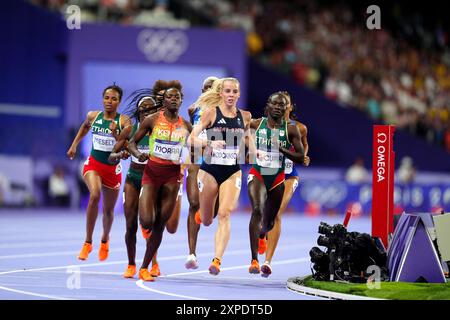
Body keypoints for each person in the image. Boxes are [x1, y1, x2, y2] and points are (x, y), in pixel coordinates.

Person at [128, 86, 192, 281]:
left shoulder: (187, 126)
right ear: (163, 101)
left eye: (177, 97)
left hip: (172, 178)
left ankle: (145, 267)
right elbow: (132, 143)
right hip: (152, 174)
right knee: (147, 221)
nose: (173, 99)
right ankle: (144, 252)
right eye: (169, 96)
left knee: (160, 224)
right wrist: (139, 154)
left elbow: (195, 150)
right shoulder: (152, 120)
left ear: (181, 101)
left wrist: (188, 161)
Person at [190, 77, 252, 275]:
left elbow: (249, 137)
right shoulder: (210, 113)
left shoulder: (246, 116)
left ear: (239, 94)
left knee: (225, 213)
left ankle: (217, 260)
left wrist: (256, 152)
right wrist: (208, 143)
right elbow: (191, 138)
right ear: (221, 94)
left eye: (234, 91)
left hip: (232, 171)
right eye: (227, 91)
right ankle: (203, 214)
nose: (231, 95)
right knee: (207, 220)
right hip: (209, 170)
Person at [67, 84, 132, 261]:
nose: (109, 101)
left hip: (112, 169)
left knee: (109, 211)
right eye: (107, 98)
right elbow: (85, 127)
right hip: (94, 164)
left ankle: (104, 239)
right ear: (103, 99)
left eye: (114, 99)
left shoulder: (124, 121)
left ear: (119, 101)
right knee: (94, 195)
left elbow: (126, 145)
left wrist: (115, 133)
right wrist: (74, 145)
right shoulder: (93, 115)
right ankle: (87, 242)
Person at [247, 92, 309, 275]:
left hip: (288, 174)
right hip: (265, 169)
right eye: (277, 103)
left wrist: (304, 157)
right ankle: (260, 238)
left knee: (277, 213)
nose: (281, 107)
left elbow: (304, 148)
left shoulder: (299, 128)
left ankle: (268, 261)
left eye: (285, 104)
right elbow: (244, 130)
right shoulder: (261, 124)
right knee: (261, 211)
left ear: (289, 107)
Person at [185, 76, 219, 269]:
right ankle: (191, 254)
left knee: (210, 214)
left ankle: (205, 214)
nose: (208, 90)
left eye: (212, 87)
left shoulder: (225, 112)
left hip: (217, 164)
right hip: (196, 161)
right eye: (205, 87)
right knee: (193, 203)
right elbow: (193, 134)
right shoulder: (193, 110)